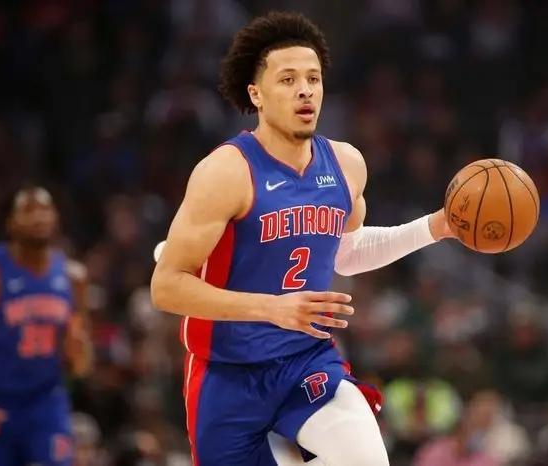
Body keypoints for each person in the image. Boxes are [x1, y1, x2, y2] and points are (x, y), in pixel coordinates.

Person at [151, 11, 453, 466]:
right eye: (288, 79)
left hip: (306, 360)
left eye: (313, 78)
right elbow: (166, 287)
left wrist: (434, 227)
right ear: (256, 93)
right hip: (227, 371)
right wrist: (272, 308)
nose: (305, 89)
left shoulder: (346, 164)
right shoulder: (226, 171)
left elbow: (345, 254)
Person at [0, 186, 92, 466]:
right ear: (10, 223)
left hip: (47, 404)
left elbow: (81, 365)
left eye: (45, 209)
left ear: (56, 218)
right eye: (28, 210)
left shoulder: (74, 277)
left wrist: (79, 353)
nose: (39, 217)